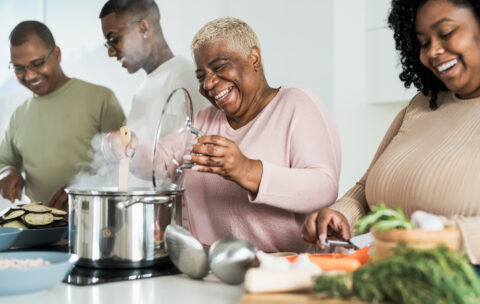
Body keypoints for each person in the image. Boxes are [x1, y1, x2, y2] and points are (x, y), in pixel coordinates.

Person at [103, 17, 341, 252]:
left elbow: (323, 187)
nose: (208, 83)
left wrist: (246, 170)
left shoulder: (297, 105)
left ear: (254, 58)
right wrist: (127, 148)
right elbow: (162, 160)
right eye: (200, 76)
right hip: (215, 269)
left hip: (287, 270)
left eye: (219, 67)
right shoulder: (203, 119)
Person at [302, 0, 480, 265]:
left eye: (445, 33)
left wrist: (449, 237)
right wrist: (341, 214)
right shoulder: (421, 106)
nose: (433, 51)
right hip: (390, 278)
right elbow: (367, 188)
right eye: (423, 42)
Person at [0, 21, 125, 210]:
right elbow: (6, 161)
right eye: (19, 69)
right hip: (39, 230)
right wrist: (7, 173)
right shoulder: (19, 114)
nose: (30, 76)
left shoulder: (101, 99)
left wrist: (84, 192)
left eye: (37, 63)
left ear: (57, 54)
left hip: (95, 224)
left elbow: (126, 165)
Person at [99, 0, 209, 141]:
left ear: (143, 28)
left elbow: (204, 146)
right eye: (107, 44)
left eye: (114, 39)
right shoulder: (139, 93)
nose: (110, 53)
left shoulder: (184, 77)